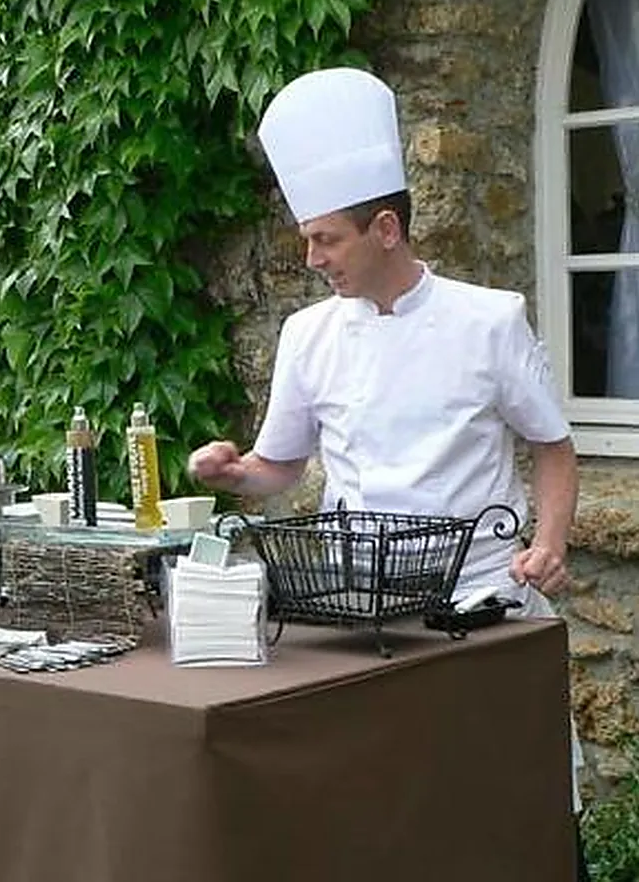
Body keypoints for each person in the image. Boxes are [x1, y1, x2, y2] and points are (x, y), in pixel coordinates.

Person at [186, 66, 586, 875]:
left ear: (387, 231)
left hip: (481, 612)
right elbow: (279, 467)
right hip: (356, 617)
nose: (312, 257)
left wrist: (548, 545)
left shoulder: (488, 320)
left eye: (326, 238)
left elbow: (553, 450)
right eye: (307, 239)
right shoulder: (307, 335)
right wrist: (231, 473)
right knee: (385, 817)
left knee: (514, 807)